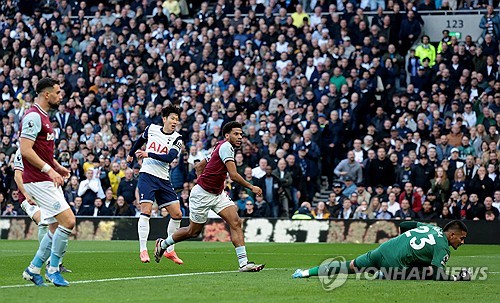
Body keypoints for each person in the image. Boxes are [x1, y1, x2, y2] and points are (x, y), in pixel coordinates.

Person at [154, 122, 264, 272]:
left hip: (218, 193)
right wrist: (251, 187)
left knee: (236, 222)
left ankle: (243, 263)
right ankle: (163, 244)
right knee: (193, 232)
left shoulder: (219, 145)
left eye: (241, 134)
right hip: (202, 195)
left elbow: (199, 167)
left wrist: (204, 180)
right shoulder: (225, 147)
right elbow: (233, 175)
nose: (240, 137)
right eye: (236, 134)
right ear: (227, 135)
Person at [21, 78, 75, 287]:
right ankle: (53, 270)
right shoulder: (33, 116)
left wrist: (57, 166)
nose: (61, 96)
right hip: (38, 179)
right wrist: (49, 170)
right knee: (68, 221)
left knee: (54, 227)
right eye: (58, 93)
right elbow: (26, 150)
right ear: (47, 94)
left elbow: (41, 151)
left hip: (45, 177)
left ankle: (33, 269)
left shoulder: (43, 116)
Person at [293, 220, 471, 281]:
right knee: (427, 271)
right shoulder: (442, 246)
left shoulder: (429, 227)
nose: (462, 242)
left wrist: (403, 243)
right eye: (461, 238)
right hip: (395, 266)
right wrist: (457, 278)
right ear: (452, 234)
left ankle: (304, 273)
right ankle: (386, 274)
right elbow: (437, 274)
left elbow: (404, 225)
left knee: (349, 266)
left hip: (383, 250)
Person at [126, 105, 185, 264]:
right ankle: (143, 249)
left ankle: (169, 250)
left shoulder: (177, 139)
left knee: (177, 214)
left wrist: (147, 153)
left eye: (177, 120)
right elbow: (140, 140)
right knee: (146, 211)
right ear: (164, 119)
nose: (174, 122)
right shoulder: (151, 128)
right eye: (172, 118)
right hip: (147, 176)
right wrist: (131, 154)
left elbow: (169, 157)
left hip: (163, 179)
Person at [13, 149, 71, 273]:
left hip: (46, 192)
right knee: (44, 222)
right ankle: (43, 261)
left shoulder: (41, 148)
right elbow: (17, 175)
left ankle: (55, 263)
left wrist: (59, 168)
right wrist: (25, 194)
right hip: (28, 196)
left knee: (61, 224)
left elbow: (49, 159)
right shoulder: (22, 151)